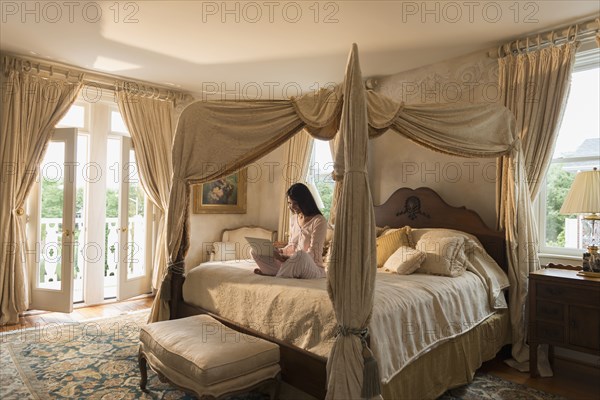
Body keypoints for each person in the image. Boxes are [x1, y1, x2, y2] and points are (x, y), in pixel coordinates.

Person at [251, 183, 327, 279]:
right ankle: (279, 273)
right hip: (291, 262)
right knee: (256, 249)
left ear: (305, 201)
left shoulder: (319, 221)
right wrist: (279, 252)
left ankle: (275, 277)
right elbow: (291, 246)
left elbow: (313, 253)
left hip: (312, 268)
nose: (291, 207)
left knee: (301, 255)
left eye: (295, 203)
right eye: (289, 203)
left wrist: (290, 258)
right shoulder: (293, 219)